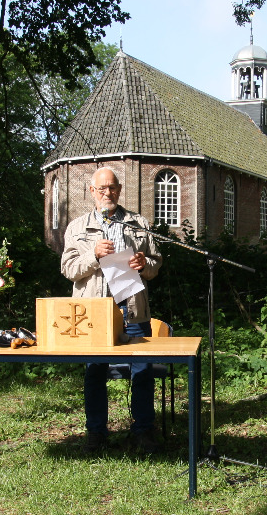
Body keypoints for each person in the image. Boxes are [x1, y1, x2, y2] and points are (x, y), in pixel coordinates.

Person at [60, 167, 163, 453]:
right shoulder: (77, 227)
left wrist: (145, 265)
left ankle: (143, 431)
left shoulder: (138, 223)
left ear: (120, 189)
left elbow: (155, 265)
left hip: (132, 308)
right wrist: (93, 255)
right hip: (93, 314)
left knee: (142, 372)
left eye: (113, 187)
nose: (108, 193)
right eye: (102, 188)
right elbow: (68, 269)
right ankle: (96, 433)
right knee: (95, 373)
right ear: (91, 191)